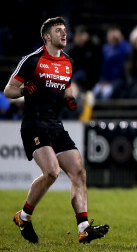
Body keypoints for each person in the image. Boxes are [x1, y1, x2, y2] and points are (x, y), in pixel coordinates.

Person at [4, 17, 109, 244]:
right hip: (34, 124)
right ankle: (24, 216)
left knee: (78, 173)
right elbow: (8, 91)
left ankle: (83, 228)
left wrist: (70, 100)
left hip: (55, 124)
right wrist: (23, 89)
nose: (64, 34)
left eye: (65, 30)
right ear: (47, 37)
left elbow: (66, 88)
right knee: (52, 172)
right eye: (58, 30)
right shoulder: (32, 60)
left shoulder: (68, 61)